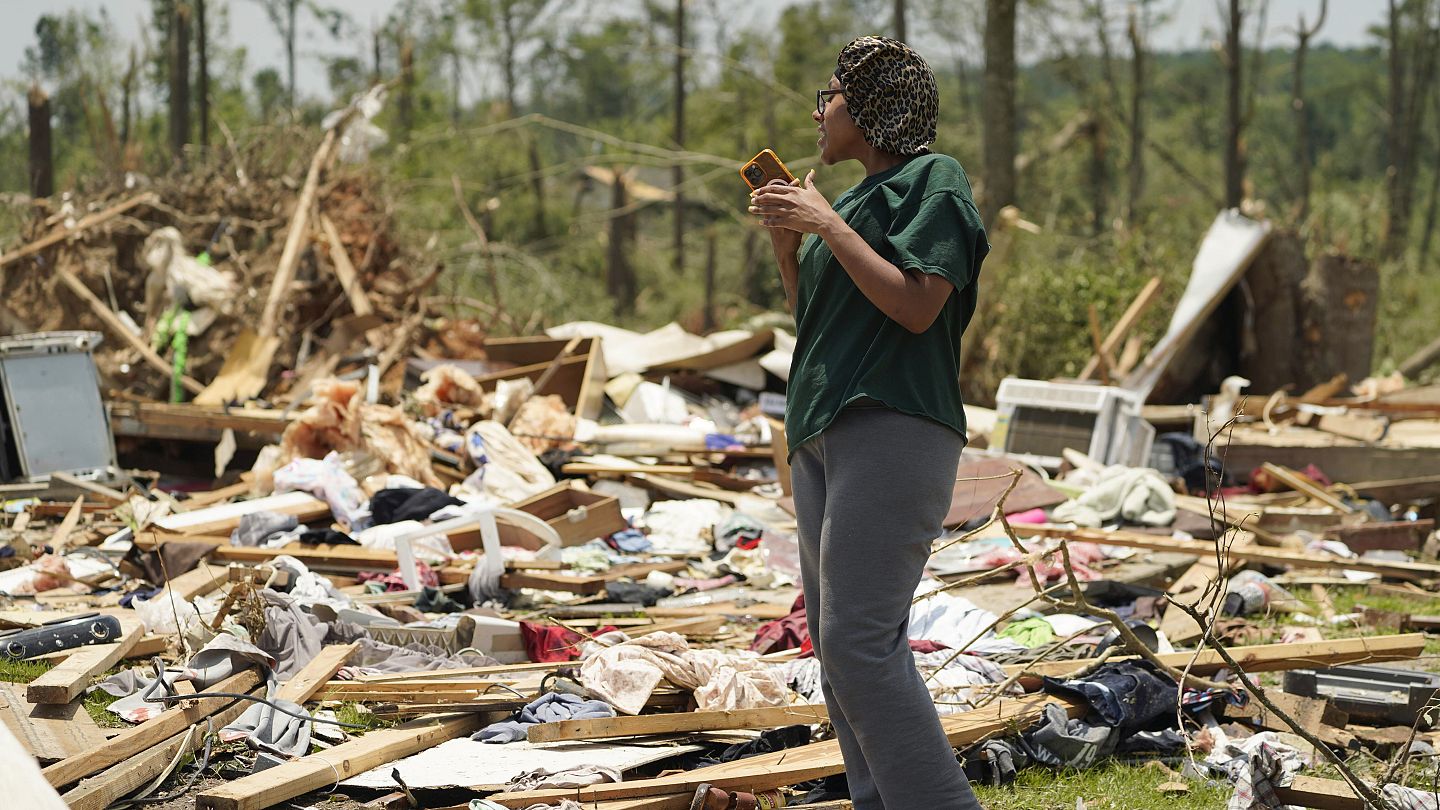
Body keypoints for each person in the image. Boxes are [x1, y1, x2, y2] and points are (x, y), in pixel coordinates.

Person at [747, 36, 989, 810]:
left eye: (832, 94)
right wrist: (792, 249)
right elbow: (822, 324)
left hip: (894, 427)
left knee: (860, 642)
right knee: (838, 649)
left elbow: (917, 308)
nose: (820, 110)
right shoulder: (843, 204)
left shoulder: (933, 183)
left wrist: (826, 226)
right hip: (822, 432)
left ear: (876, 103)